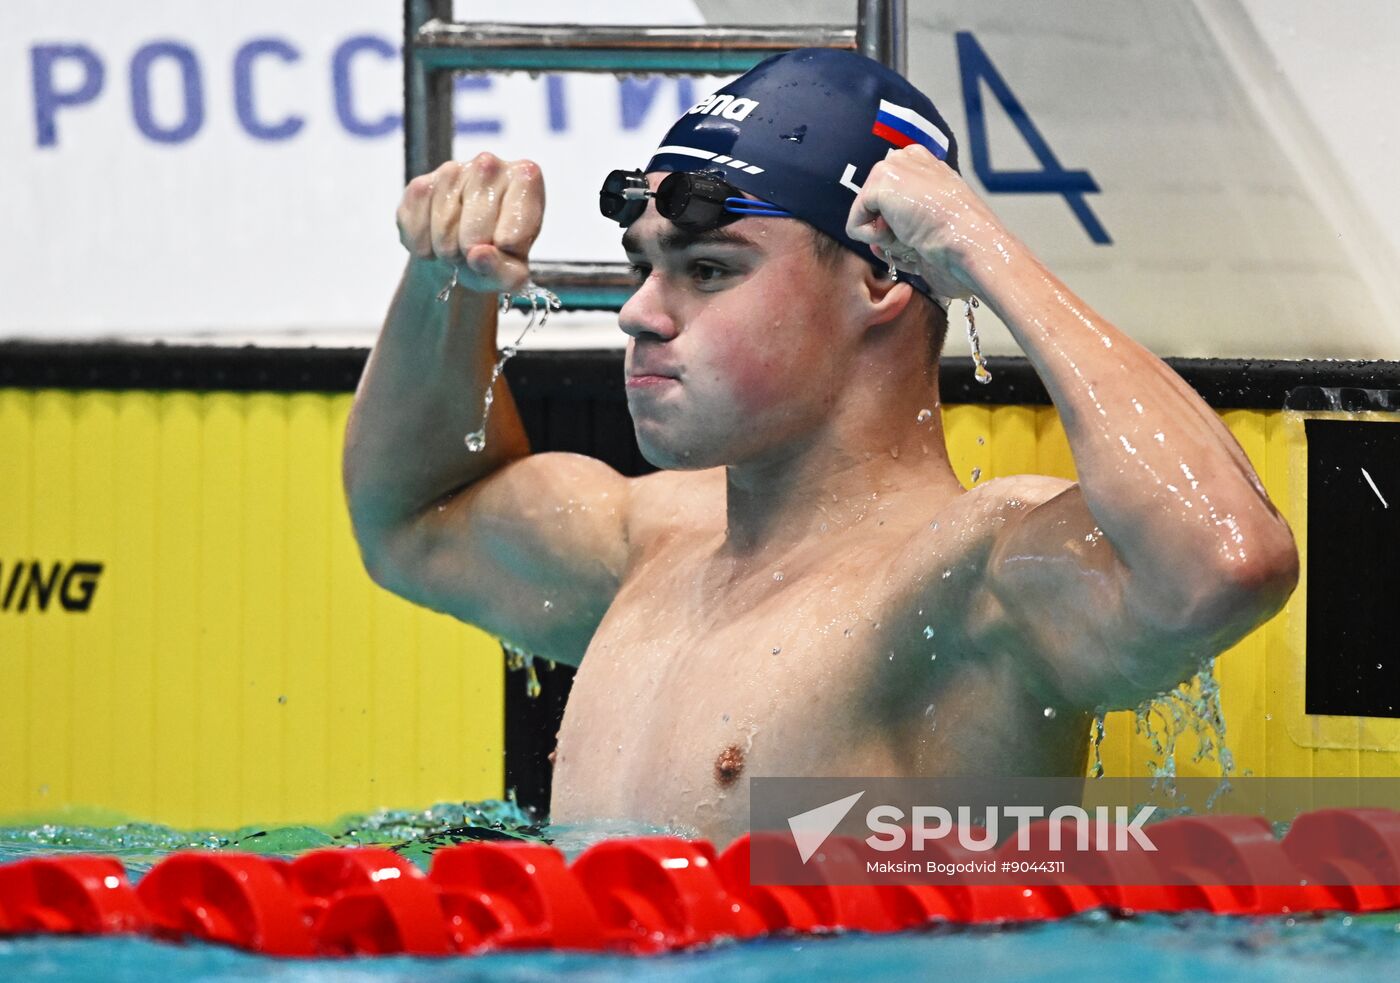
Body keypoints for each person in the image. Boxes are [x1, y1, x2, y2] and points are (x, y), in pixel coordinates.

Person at [343, 49, 1297, 844]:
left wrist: (983, 250)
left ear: (885, 279)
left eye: (708, 270)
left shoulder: (970, 582)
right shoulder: (651, 544)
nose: (638, 312)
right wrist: (445, 285)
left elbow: (1223, 560)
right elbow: (412, 519)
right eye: (647, 267)